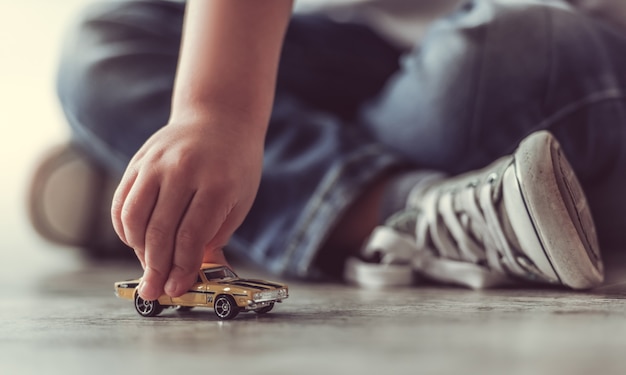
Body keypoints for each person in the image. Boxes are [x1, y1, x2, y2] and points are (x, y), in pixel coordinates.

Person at [29, 0, 626, 301]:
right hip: (342, 49)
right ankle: (419, 210)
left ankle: (199, 202)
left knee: (528, 49)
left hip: (511, 59)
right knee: (104, 39)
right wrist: (214, 113)